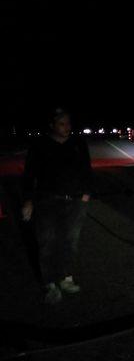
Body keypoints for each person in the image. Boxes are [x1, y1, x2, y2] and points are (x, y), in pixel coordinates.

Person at [22, 108, 93, 304]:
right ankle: (50, 282)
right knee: (47, 241)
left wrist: (87, 193)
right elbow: (29, 174)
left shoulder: (78, 143)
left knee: (70, 241)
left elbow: (87, 169)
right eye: (61, 123)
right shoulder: (39, 145)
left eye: (68, 123)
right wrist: (28, 200)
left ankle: (65, 277)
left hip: (76, 201)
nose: (66, 127)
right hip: (47, 201)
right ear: (52, 125)